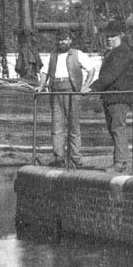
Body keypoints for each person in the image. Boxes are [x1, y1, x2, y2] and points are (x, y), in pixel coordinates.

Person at [33, 30, 93, 166]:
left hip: (72, 91)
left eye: (65, 39)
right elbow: (44, 72)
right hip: (55, 91)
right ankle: (58, 157)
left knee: (74, 126)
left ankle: (76, 158)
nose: (62, 42)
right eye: (60, 40)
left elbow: (91, 69)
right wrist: (41, 86)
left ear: (70, 40)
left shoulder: (78, 54)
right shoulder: (53, 56)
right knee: (57, 126)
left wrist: (86, 85)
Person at [90, 25, 133, 173]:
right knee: (114, 129)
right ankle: (119, 161)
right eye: (107, 37)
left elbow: (111, 74)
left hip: (119, 96)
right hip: (112, 97)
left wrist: (93, 88)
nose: (109, 40)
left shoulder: (122, 52)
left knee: (117, 128)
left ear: (121, 36)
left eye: (112, 37)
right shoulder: (114, 52)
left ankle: (120, 163)